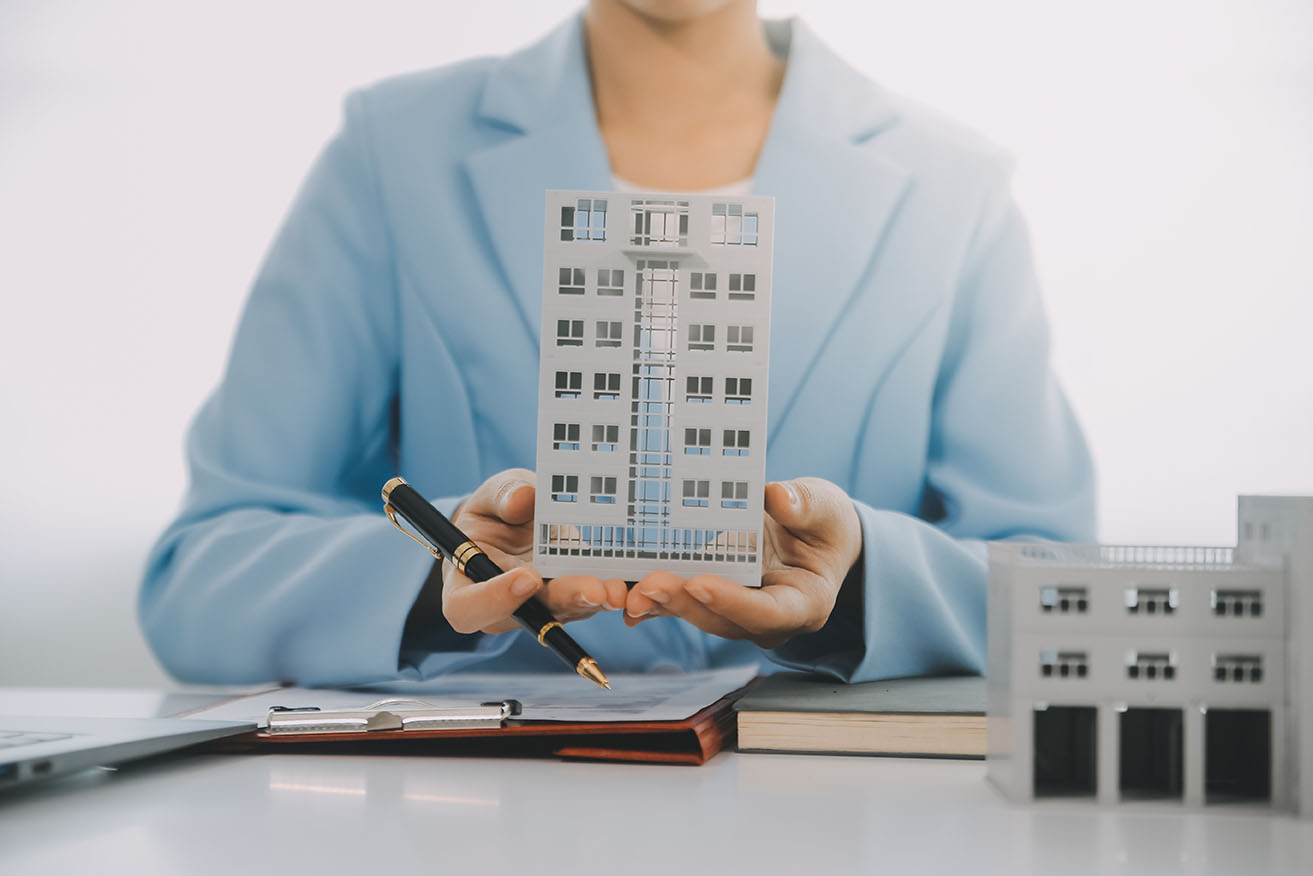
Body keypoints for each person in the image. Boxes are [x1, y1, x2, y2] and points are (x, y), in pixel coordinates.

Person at [140, 0, 1095, 686]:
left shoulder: (953, 186)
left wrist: (856, 587)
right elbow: (199, 581)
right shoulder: (391, 151)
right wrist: (440, 586)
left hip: (828, 824)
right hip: (479, 815)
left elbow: (1061, 595)